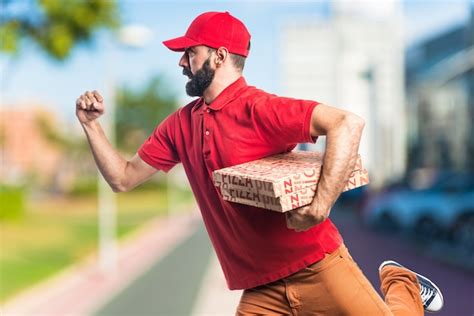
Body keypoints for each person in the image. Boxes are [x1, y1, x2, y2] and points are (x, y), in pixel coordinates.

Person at [76, 11, 444, 315]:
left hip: (317, 264)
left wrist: (319, 207)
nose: (182, 61)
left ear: (219, 57)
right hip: (261, 289)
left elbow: (348, 123)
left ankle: (401, 281)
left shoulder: (260, 108)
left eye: (191, 52)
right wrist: (91, 126)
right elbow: (123, 179)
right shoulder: (180, 125)